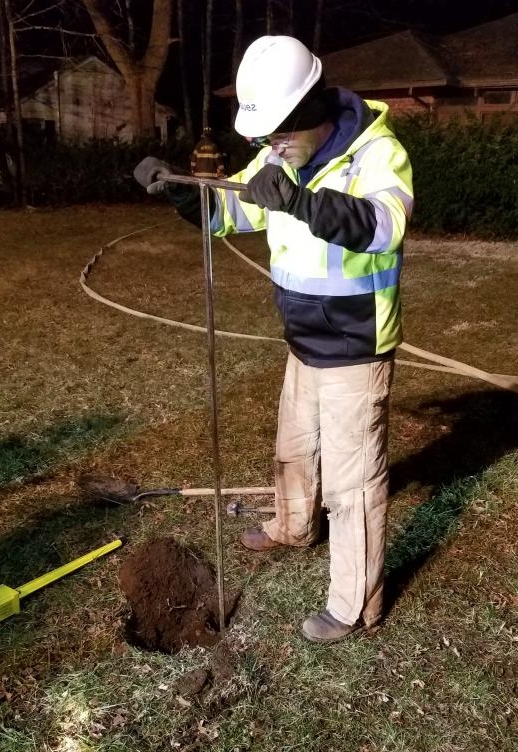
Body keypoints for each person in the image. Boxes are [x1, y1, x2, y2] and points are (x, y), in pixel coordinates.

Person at [134, 35, 414, 643]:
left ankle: (354, 605)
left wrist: (303, 201)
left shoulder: (375, 154)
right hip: (303, 342)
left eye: (278, 135)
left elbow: (384, 226)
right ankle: (291, 525)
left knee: (352, 483)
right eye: (263, 139)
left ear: (312, 107)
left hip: (354, 350)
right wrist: (183, 193)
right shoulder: (278, 158)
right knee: (293, 448)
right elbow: (232, 212)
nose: (269, 148)